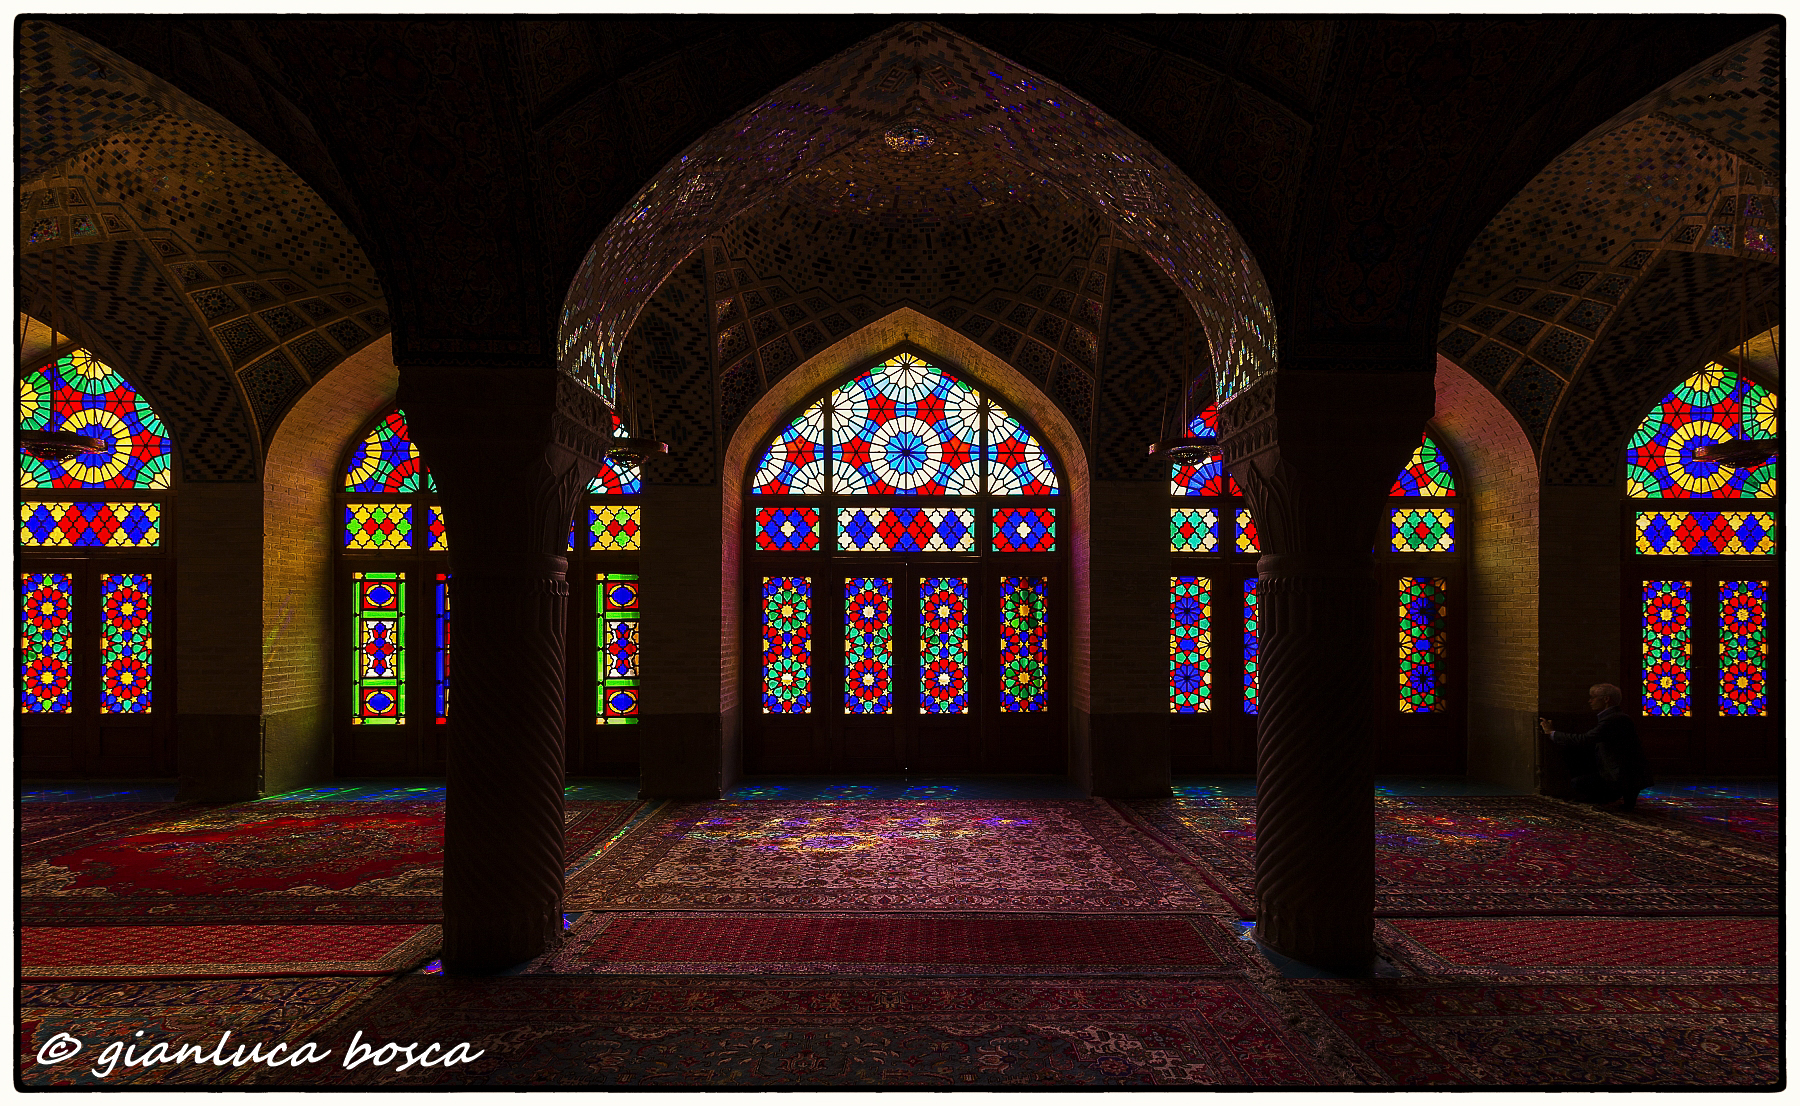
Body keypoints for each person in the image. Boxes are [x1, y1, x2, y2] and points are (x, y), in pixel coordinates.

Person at [1539, 684, 1653, 810]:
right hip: (1622, 774)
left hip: (1623, 777)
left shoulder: (1614, 719)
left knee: (1578, 783)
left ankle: (1608, 797)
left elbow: (1585, 739)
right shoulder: (1614, 717)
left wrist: (1552, 733)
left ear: (1606, 699)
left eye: (1593, 697)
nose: (1590, 701)